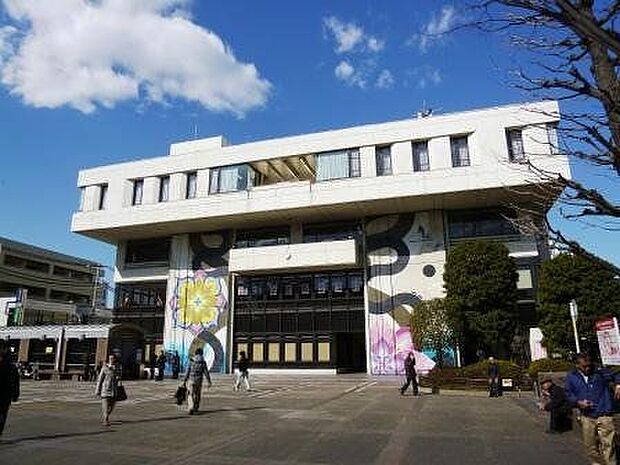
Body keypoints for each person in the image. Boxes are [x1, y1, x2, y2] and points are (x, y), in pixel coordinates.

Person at [565, 353, 620, 465]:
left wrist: (618, 384)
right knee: (590, 446)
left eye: (589, 365)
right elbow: (568, 394)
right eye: (584, 366)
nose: (587, 368)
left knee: (608, 444)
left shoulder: (599, 371)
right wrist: (578, 402)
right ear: (577, 365)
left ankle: (611, 463)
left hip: (604, 412)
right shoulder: (571, 376)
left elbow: (616, 374)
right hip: (587, 415)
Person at [183, 348, 212, 415]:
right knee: (197, 395)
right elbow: (206, 372)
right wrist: (209, 381)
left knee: (190, 394)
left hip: (191, 380)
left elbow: (187, 371)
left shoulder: (191, 361)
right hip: (199, 380)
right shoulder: (203, 362)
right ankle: (196, 408)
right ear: (201, 353)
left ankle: (191, 407)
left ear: (195, 353)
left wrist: (184, 380)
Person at [0, 341, 20, 438]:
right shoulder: (11, 366)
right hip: (5, 395)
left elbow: (15, 381)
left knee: (2, 415)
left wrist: (15, 394)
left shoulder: (11, 366)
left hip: (5, 395)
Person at [95, 354, 121, 427]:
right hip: (105, 389)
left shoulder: (117, 368)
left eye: (113, 358)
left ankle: (106, 416)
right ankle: (106, 419)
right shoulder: (104, 368)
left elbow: (119, 376)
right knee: (105, 406)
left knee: (112, 406)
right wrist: (98, 390)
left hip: (114, 390)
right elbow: (100, 380)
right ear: (108, 360)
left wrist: (118, 377)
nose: (111, 360)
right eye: (110, 358)